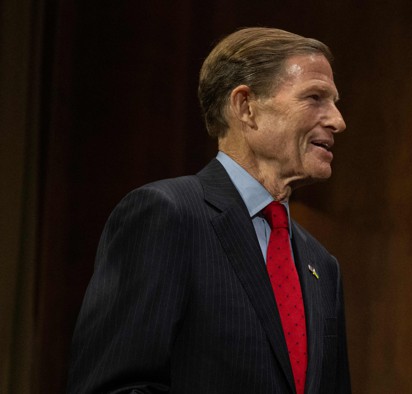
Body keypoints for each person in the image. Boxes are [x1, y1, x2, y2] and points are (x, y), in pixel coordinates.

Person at [67, 28, 350, 393]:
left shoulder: (322, 265)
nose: (338, 120)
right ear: (245, 106)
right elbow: (115, 386)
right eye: (315, 97)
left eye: (334, 101)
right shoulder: (167, 216)